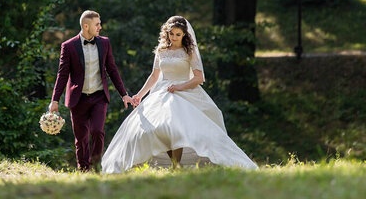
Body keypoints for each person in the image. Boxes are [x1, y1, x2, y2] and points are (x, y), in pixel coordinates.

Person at [101, 16, 258, 173]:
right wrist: (140, 95)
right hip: (162, 92)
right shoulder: (161, 51)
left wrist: (179, 87)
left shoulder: (189, 52)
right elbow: (154, 76)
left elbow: (199, 78)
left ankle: (177, 164)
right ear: (167, 33)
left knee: (178, 127)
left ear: (184, 35)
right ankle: (174, 163)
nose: (174, 37)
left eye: (178, 34)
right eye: (172, 34)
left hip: (184, 90)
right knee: (161, 127)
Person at [49, 10, 134, 171]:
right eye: (97, 24)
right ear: (86, 26)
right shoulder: (68, 46)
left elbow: (112, 70)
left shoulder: (104, 43)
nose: (100, 27)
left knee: (97, 131)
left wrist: (124, 94)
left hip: (99, 97)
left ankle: (95, 168)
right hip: (78, 99)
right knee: (81, 138)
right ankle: (83, 169)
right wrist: (55, 100)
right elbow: (62, 75)